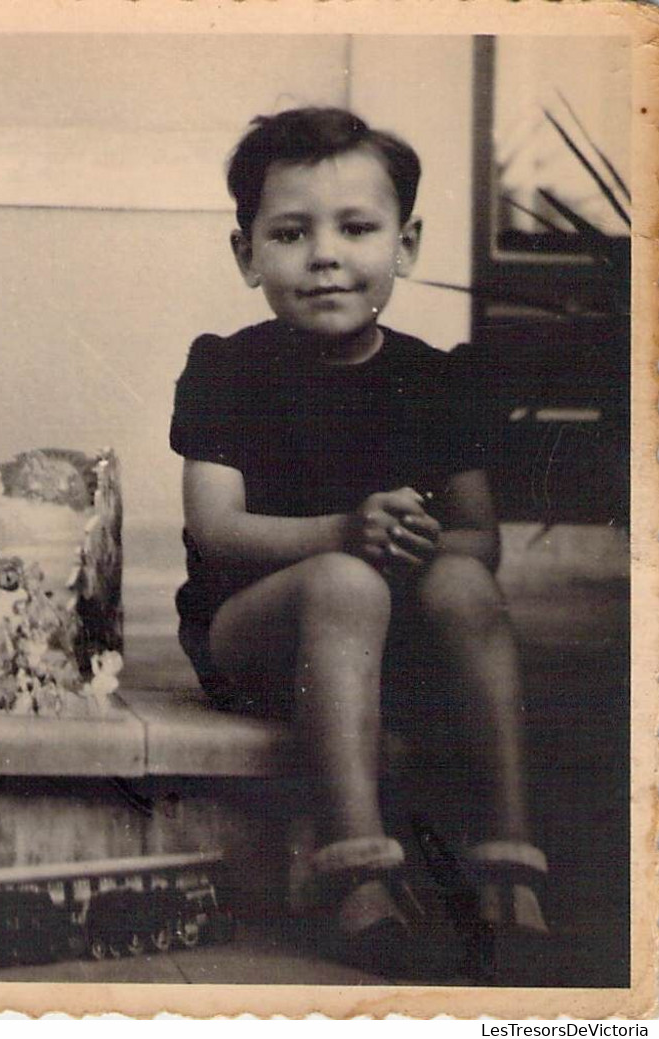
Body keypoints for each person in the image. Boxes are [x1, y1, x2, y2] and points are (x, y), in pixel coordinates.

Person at [169, 107, 547, 978]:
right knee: (343, 581)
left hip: (392, 623)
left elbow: (478, 537)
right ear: (246, 254)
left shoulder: (433, 376)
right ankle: (355, 872)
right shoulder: (229, 368)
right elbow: (214, 528)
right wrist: (346, 532)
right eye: (292, 232)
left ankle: (508, 858)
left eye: (357, 228)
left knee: (462, 586)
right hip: (251, 629)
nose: (326, 254)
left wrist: (422, 543)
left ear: (404, 246)